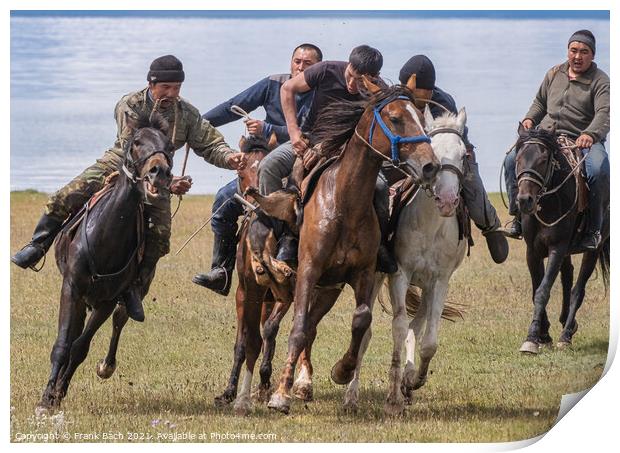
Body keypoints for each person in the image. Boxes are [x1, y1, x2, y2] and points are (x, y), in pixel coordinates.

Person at [11, 55, 246, 321]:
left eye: (177, 88)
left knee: (160, 235)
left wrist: (229, 157)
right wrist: (169, 182)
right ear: (151, 83)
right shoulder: (131, 105)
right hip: (119, 165)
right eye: (165, 87)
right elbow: (129, 151)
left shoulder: (187, 114)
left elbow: (210, 143)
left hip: (158, 174)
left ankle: (134, 288)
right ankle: (38, 245)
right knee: (64, 196)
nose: (171, 94)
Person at [192, 44, 322, 296]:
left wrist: (267, 129)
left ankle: (290, 247)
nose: (301, 67)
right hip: (264, 161)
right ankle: (222, 271)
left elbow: (311, 133)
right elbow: (234, 105)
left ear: (317, 68)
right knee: (223, 200)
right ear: (290, 62)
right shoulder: (273, 83)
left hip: (302, 163)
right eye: (297, 61)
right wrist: (198, 125)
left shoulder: (323, 92)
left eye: (308, 64)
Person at [257, 45, 397, 272]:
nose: (352, 85)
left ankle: (380, 246)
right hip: (310, 140)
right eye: (351, 76)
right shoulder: (326, 70)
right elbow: (287, 89)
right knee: (268, 166)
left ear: (374, 78)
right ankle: (283, 236)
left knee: (380, 187)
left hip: (352, 152)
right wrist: (294, 134)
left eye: (361, 82)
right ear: (348, 65)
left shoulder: (379, 91)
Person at [503, 30, 610, 250]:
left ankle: (594, 230)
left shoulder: (600, 80)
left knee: (598, 170)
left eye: (584, 52)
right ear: (568, 51)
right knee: (511, 159)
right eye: (573, 50)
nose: (577, 56)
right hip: (547, 136)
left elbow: (604, 113)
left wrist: (590, 134)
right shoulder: (554, 73)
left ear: (592, 55)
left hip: (584, 139)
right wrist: (529, 119)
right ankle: (518, 217)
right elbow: (540, 103)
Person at [398, 55, 509, 264]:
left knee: (472, 186)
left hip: (448, 156)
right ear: (405, 87)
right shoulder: (396, 101)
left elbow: (451, 142)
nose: (420, 102)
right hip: (405, 157)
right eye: (415, 97)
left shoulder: (443, 102)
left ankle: (489, 225)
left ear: (431, 91)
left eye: (425, 96)